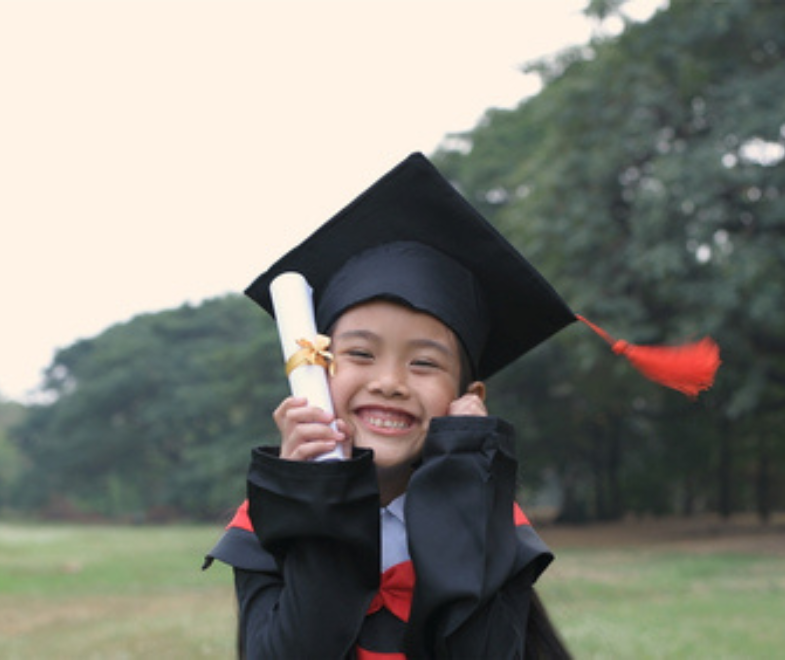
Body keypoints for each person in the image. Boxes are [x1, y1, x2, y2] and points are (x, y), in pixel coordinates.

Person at [204, 153, 718, 658]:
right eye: (360, 354)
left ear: (467, 401)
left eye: (424, 364)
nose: (389, 382)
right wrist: (312, 495)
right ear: (314, 373)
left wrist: (462, 477)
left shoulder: (486, 516)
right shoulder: (268, 520)